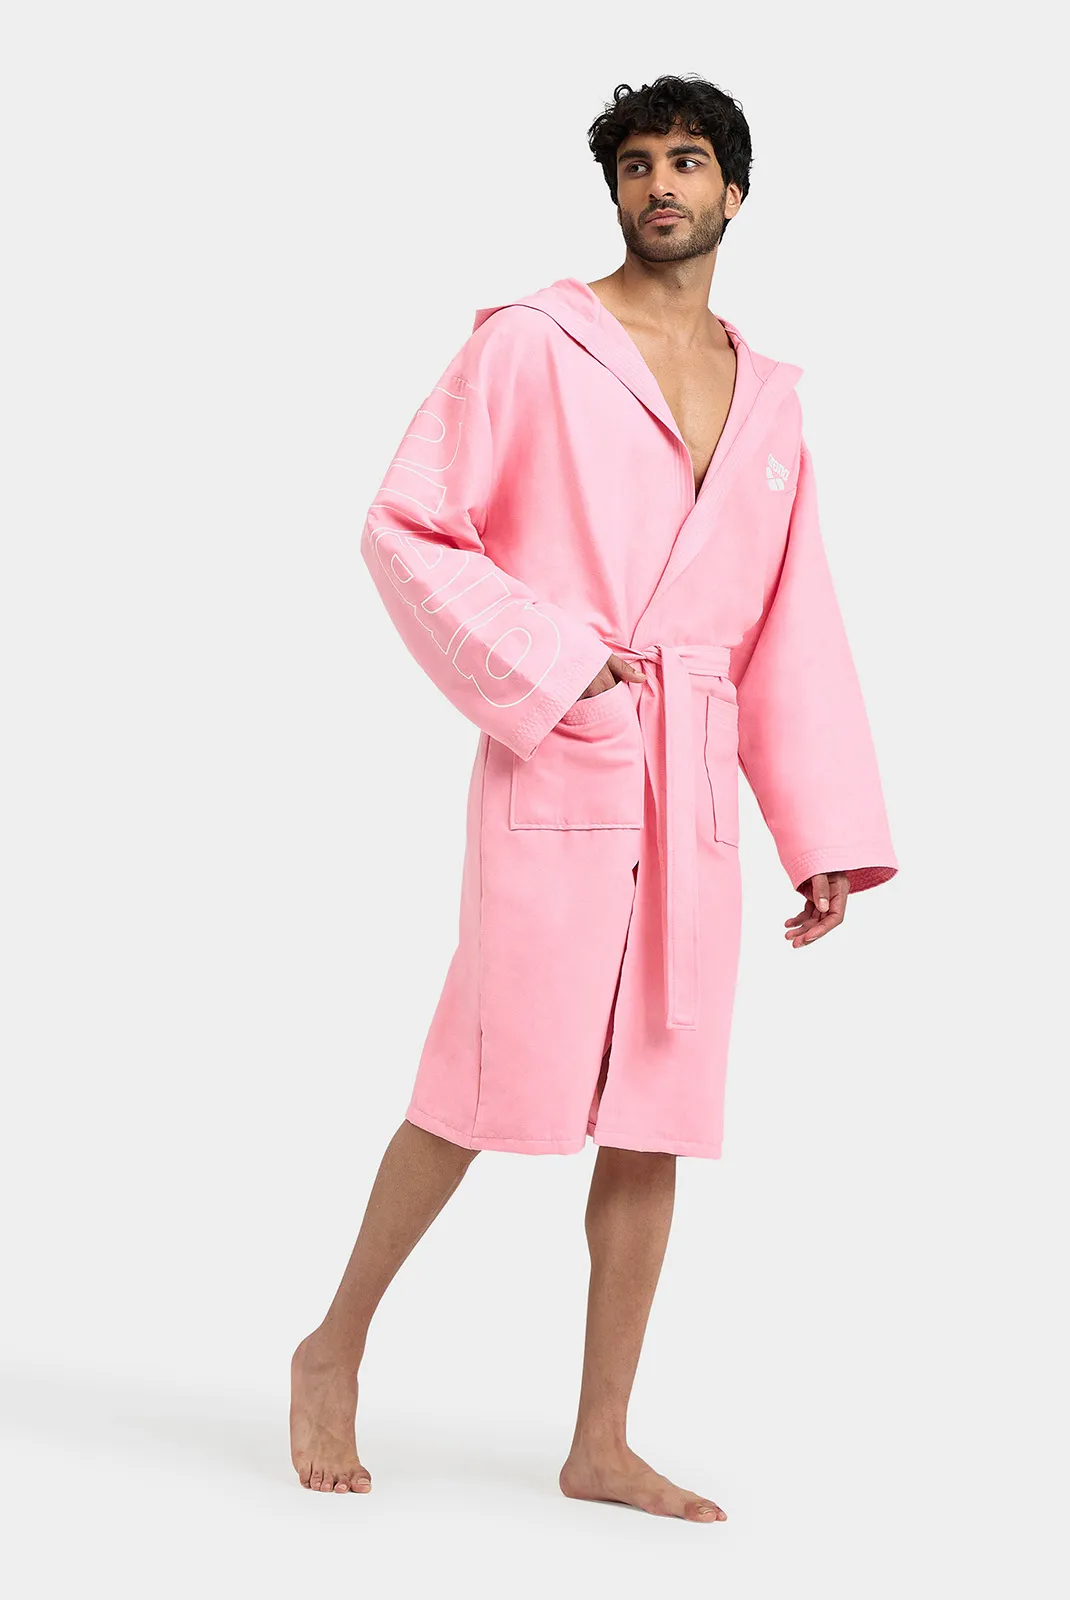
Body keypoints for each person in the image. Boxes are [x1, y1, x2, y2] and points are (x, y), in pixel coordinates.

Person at [290, 73, 897, 1522]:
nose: (659, 185)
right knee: (479, 1079)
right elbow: (407, 525)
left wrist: (819, 832)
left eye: (687, 161)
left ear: (734, 191)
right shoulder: (530, 343)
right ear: (614, 189)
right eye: (635, 164)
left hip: (691, 784)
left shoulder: (770, 401)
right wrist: (564, 666)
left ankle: (600, 1442)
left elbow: (791, 622)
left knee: (656, 1109)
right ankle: (334, 1343)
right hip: (565, 749)